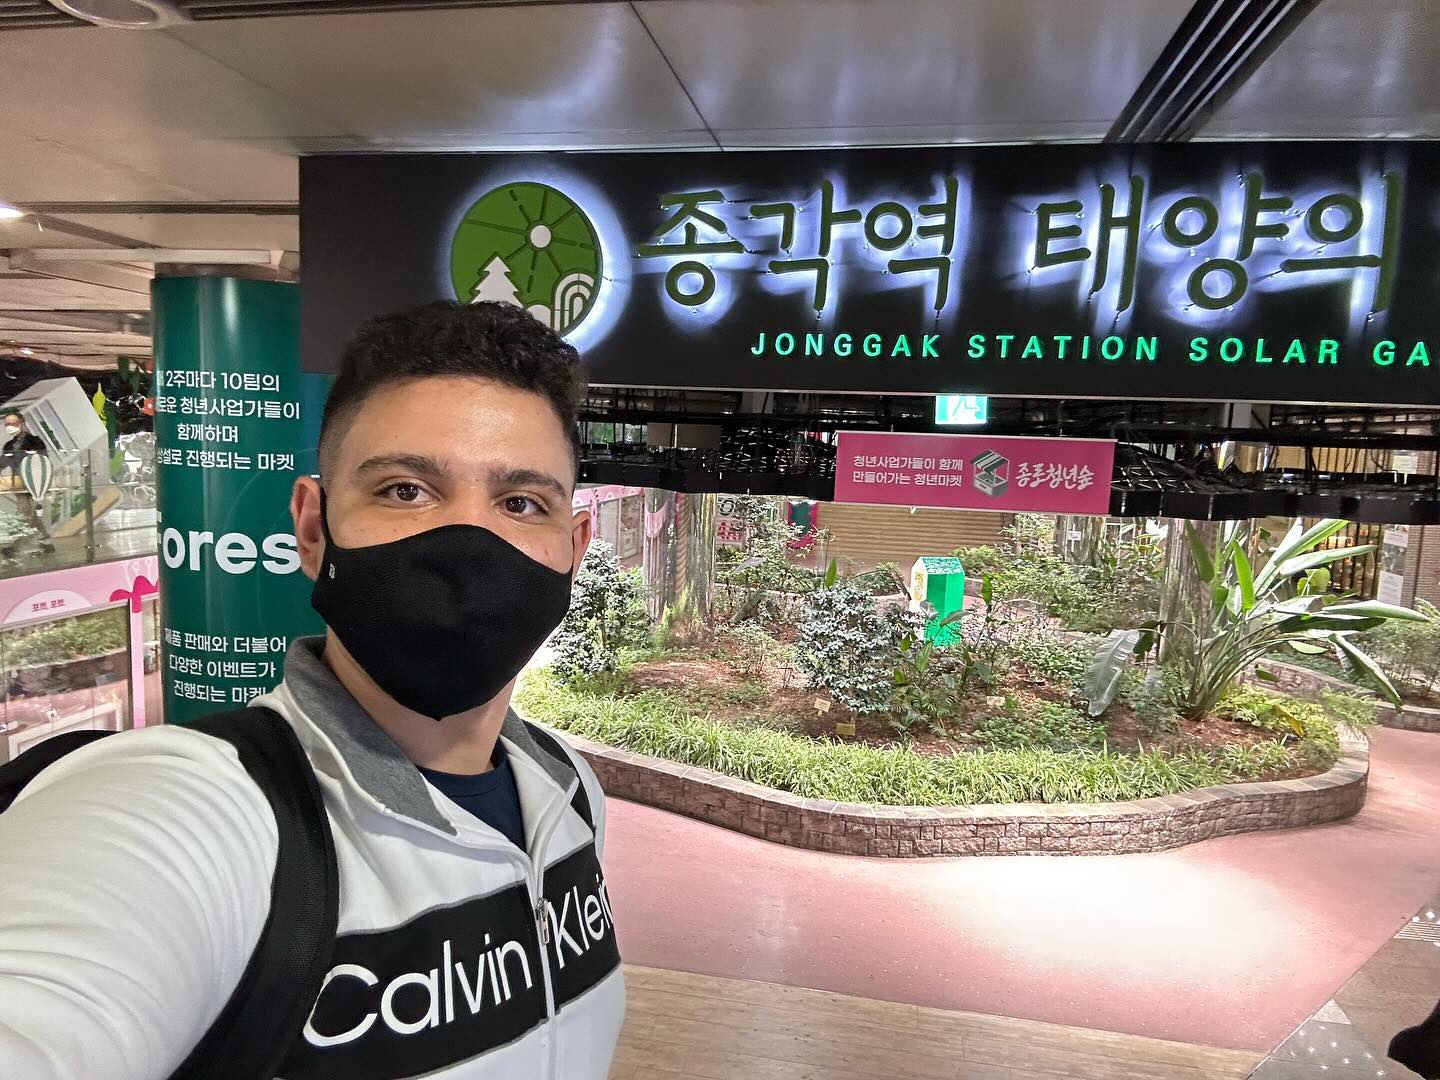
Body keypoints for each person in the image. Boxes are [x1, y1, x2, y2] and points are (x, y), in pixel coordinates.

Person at [0, 301, 624, 1079]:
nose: (470, 542)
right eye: (405, 490)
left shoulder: (568, 794)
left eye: (521, 502)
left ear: (574, 546)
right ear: (313, 528)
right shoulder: (205, 815)